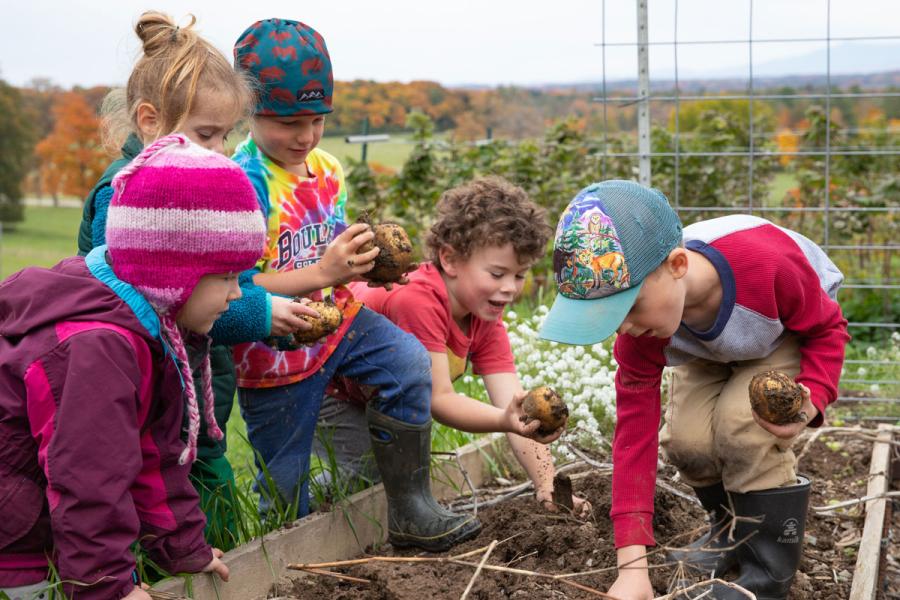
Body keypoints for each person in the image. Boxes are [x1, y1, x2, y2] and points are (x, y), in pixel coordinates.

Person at [230, 17, 484, 551]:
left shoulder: (327, 169)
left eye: (318, 120)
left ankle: (411, 509)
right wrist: (325, 272)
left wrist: (366, 259)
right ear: (247, 110)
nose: (306, 136)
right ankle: (283, 564)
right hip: (274, 351)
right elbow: (242, 284)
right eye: (289, 122)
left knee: (408, 364)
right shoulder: (242, 184)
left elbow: (331, 245)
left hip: (340, 320)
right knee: (285, 485)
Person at [539, 180, 849, 599]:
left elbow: (827, 327)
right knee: (686, 438)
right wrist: (632, 569)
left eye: (628, 307)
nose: (624, 327)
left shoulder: (768, 263)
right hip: (707, 345)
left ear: (678, 266)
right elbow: (634, 440)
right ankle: (728, 535)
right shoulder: (645, 330)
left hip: (777, 331)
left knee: (742, 427)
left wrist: (813, 396)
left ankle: (765, 573)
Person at [74, 11, 315, 548]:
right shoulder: (131, 194)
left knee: (203, 501)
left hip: (195, 396)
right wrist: (262, 313)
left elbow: (223, 280)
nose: (222, 149)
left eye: (227, 134)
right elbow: (165, 301)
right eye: (207, 133)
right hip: (150, 395)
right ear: (150, 121)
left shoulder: (201, 184)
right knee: (179, 504)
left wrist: (255, 301)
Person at [0, 135, 265, 600]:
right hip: (11, 540)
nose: (237, 293)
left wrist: (183, 547)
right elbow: (89, 481)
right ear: (172, 273)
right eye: (226, 276)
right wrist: (109, 588)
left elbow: (152, 454)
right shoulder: (97, 348)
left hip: (32, 513)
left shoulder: (147, 325)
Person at [318, 177, 587, 515]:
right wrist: (505, 420)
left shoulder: (484, 316)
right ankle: (299, 503)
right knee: (365, 481)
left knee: (390, 480)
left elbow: (514, 404)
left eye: (519, 276)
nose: (509, 288)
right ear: (450, 259)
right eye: (497, 273)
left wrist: (547, 486)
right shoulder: (417, 299)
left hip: (377, 400)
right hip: (328, 391)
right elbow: (439, 400)